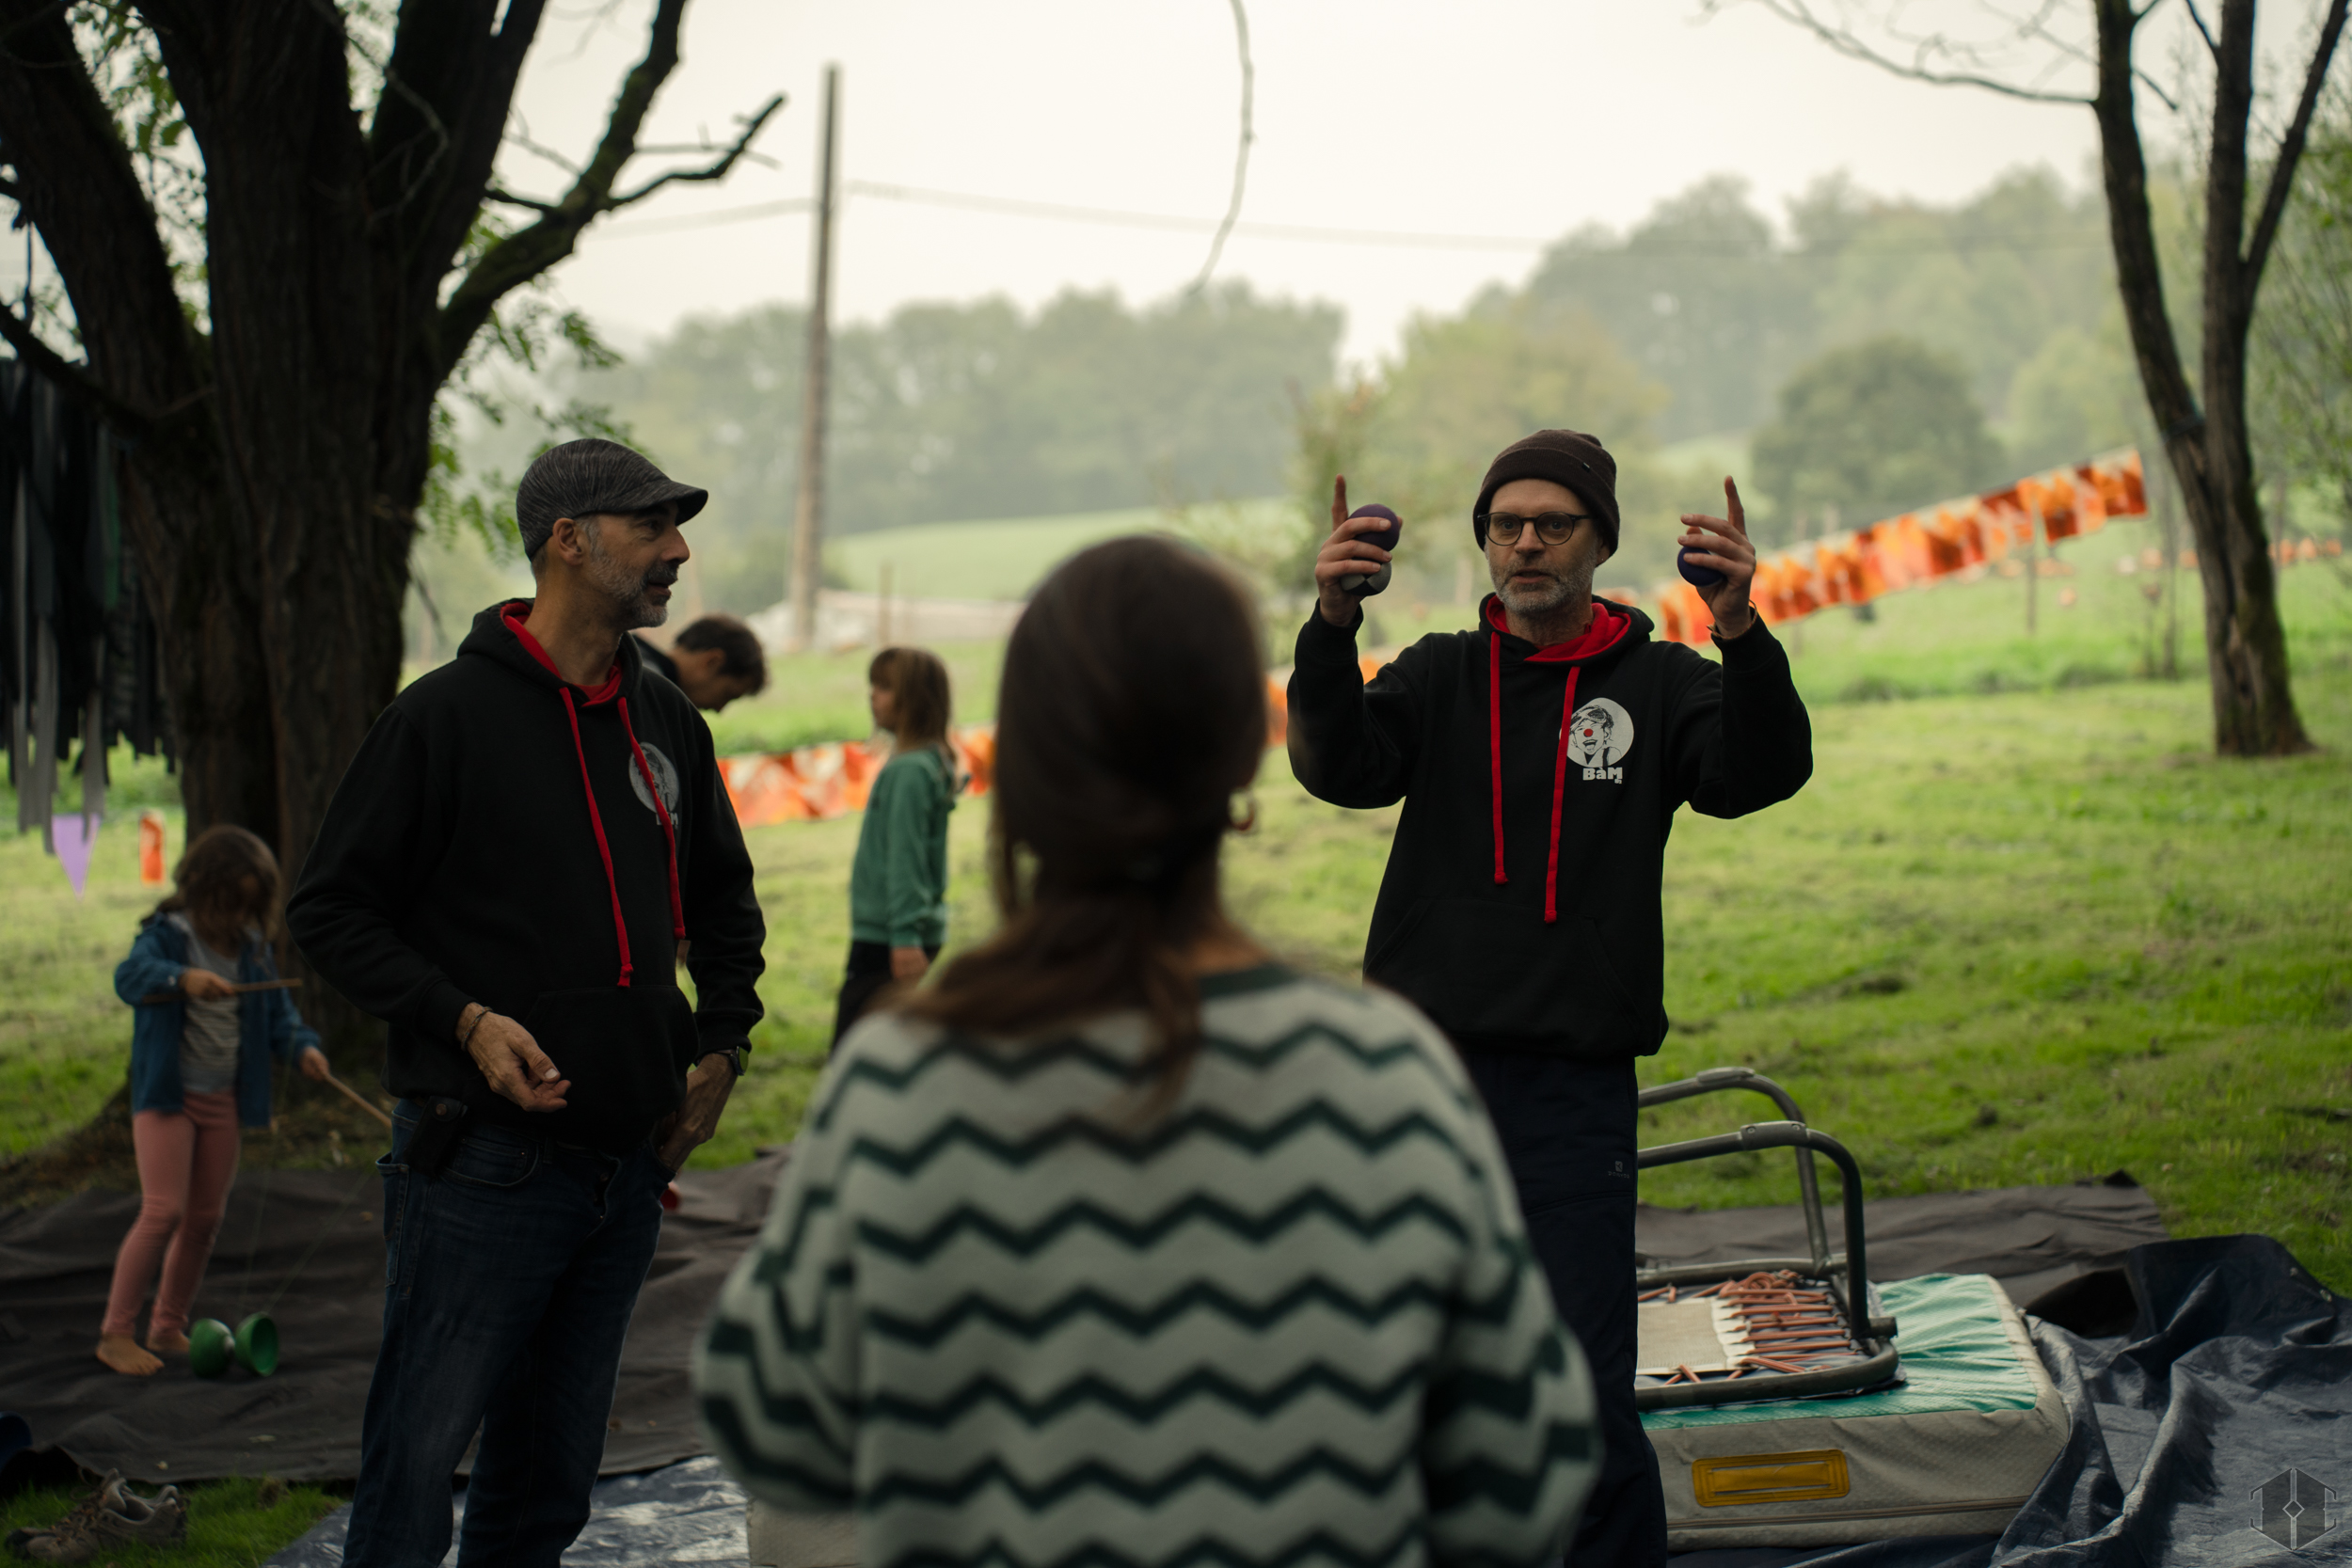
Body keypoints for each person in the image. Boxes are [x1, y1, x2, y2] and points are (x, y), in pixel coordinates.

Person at [696, 536, 1598, 1568]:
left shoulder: (903, 1084)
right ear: (1241, 764)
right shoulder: (1387, 1077)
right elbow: (1523, 1476)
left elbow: (773, 1422)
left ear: (1020, 774)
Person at [1285, 430, 1814, 1566]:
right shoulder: (1436, 673)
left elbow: (1759, 773)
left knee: (1577, 1382)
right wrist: (1330, 626)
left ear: (1598, 542)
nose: (1525, 541)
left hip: (1571, 1092)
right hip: (1419, 1086)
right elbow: (1338, 767)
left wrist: (1737, 626)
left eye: (1552, 523)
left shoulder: (1660, 682)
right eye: (1505, 523)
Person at [287, 437, 768, 1568]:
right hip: (483, 1164)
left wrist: (723, 1044)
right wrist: (464, 1018)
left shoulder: (667, 721)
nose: (677, 551)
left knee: (548, 1482)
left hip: (626, 1167)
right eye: (651, 526)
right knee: (416, 1462)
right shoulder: (441, 718)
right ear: (568, 541)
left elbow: (725, 902)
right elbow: (330, 908)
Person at [99, 825, 328, 1377]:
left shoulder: (251, 951)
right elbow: (129, 977)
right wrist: (182, 979)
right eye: (232, 904)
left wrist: (302, 1049)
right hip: (168, 1099)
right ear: (204, 892)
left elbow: (278, 1017)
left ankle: (167, 1325)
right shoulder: (167, 937)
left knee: (204, 1217)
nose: (239, 917)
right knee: (164, 1210)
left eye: (249, 907)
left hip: (223, 1099)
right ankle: (115, 1334)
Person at [831, 645, 958, 1046]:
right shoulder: (926, 761)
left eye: (885, 687)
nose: (873, 695)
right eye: (873, 685)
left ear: (916, 700)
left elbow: (906, 857)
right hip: (897, 932)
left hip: (890, 937)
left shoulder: (909, 772)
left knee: (853, 1048)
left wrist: (904, 935)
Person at [636, 612, 769, 712]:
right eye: (727, 694)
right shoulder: (645, 691)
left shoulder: (637, 662)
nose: (719, 709)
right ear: (713, 662)